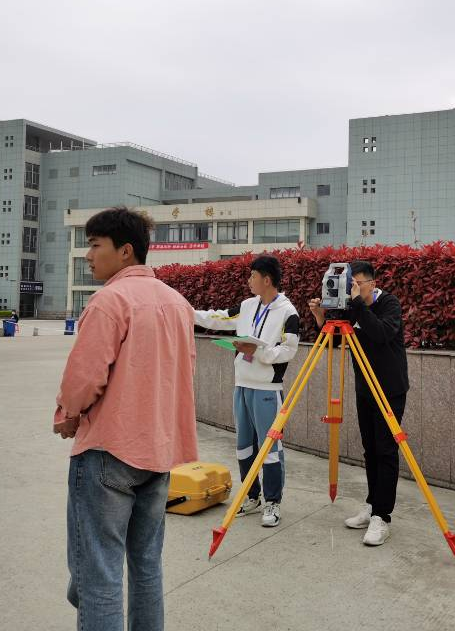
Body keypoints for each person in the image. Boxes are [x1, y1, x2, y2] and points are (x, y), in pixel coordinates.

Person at [52, 206, 198, 631]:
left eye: (95, 245)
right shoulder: (178, 303)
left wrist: (68, 415)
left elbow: (83, 379)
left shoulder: (110, 301)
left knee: (99, 574)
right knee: (147, 566)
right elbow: (183, 374)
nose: (88, 255)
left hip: (108, 452)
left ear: (125, 251)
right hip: (159, 453)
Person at [193, 255, 300, 528]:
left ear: (267, 280)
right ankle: (252, 496)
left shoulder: (288, 312)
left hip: (267, 389)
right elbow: (218, 317)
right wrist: (187, 312)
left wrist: (259, 351)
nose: (248, 280)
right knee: (244, 446)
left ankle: (273, 502)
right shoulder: (247, 305)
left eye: (252, 276)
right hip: (242, 385)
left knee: (270, 449)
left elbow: (289, 351)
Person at [308, 260, 409, 547]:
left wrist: (356, 304)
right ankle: (372, 504)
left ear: (372, 283)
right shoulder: (352, 308)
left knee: (386, 450)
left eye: (356, 283)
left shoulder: (389, 304)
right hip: (365, 388)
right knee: (370, 450)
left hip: (389, 389)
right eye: (349, 283)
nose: (351, 288)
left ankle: (382, 516)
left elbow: (381, 333)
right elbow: (334, 342)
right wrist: (320, 317)